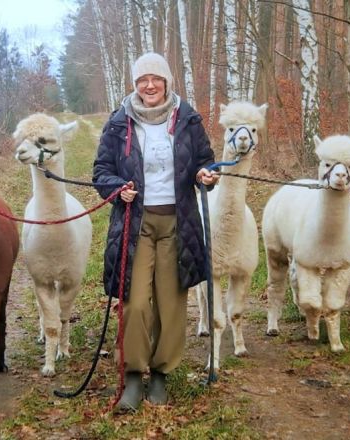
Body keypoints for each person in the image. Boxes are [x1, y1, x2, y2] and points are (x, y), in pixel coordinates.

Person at [93, 52, 219, 412]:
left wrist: (204, 173)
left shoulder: (187, 119)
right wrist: (117, 187)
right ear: (135, 85)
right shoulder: (119, 123)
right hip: (135, 222)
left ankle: (161, 375)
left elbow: (203, 159)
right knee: (133, 301)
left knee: (170, 300)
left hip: (178, 222)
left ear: (167, 83)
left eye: (156, 79)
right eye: (142, 80)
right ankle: (133, 376)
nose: (149, 85)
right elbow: (101, 170)